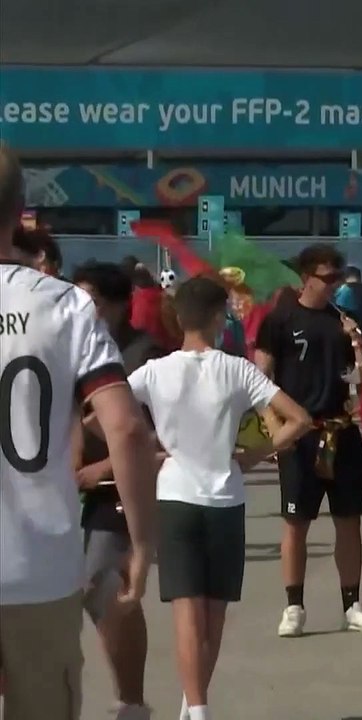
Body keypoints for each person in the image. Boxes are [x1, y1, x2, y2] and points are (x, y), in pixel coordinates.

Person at [0, 145, 158, 720]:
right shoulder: (62, 304)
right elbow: (126, 427)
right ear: (21, 211)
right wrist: (140, 544)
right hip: (39, 570)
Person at [128, 277, 311, 720]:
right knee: (212, 617)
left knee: (187, 615)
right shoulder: (237, 369)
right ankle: (196, 704)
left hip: (175, 495)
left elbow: (97, 412)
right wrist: (255, 455)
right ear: (216, 317)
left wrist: (147, 446)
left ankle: (196, 707)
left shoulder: (153, 372)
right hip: (225, 496)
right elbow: (299, 420)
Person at [254, 244, 362, 637]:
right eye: (327, 278)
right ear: (306, 277)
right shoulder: (280, 320)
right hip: (300, 433)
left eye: (337, 277)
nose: (333, 286)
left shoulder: (343, 321)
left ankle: (353, 604)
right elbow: (259, 378)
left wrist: (359, 344)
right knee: (296, 522)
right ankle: (294, 606)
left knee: (349, 521)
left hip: (340, 429)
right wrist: (275, 430)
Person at [72, 263, 167, 720]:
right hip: (68, 487)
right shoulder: (71, 346)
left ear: (118, 305)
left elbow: (155, 436)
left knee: (101, 583)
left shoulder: (144, 354)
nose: (81, 310)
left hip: (120, 489)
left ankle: (131, 700)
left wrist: (101, 467)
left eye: (91, 302)